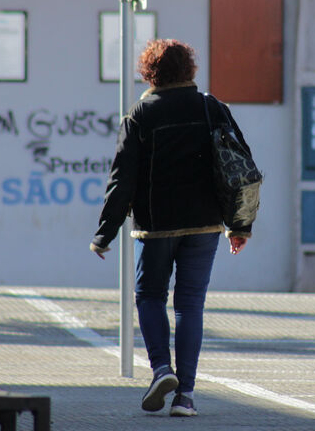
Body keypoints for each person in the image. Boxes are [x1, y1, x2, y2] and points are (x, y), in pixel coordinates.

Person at [90, 39, 254, 417]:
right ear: (189, 69)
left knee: (149, 296)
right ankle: (186, 397)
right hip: (205, 224)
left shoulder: (140, 114)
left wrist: (105, 232)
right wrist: (240, 225)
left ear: (149, 73)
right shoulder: (212, 108)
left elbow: (122, 180)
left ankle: (162, 369)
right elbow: (240, 166)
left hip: (156, 226)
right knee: (190, 304)